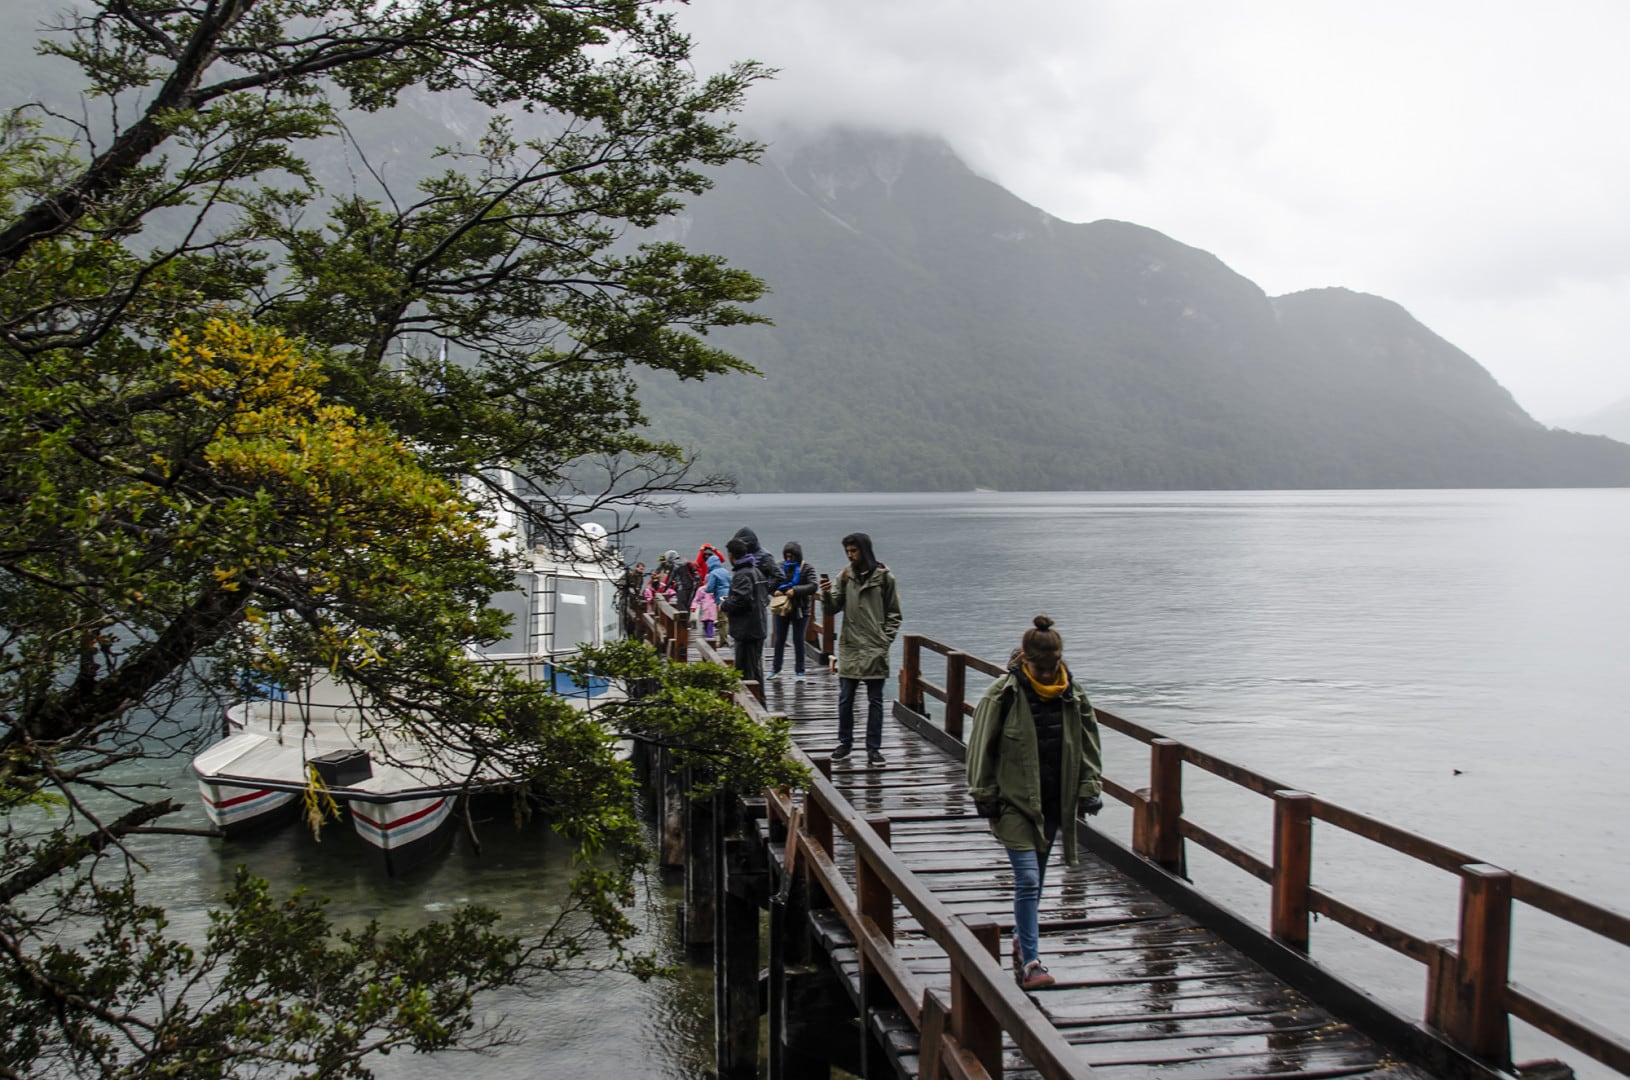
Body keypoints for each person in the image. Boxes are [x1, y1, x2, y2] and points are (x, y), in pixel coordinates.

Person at [964, 615, 1104, 991]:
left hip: (1054, 802)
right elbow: (980, 747)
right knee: (1027, 879)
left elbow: (1089, 743)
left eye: (1052, 666)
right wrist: (983, 794)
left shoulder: (1073, 694)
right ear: (1025, 660)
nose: (1046, 674)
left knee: (1036, 879)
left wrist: (1089, 787)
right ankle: (1032, 962)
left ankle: (1020, 938)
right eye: (1040, 667)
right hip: (1013, 802)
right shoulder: (1002, 695)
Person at [818, 532, 902, 766]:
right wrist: (826, 593)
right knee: (845, 698)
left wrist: (885, 639)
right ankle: (845, 743)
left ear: (864, 550)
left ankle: (873, 748)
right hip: (851, 646)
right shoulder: (845, 576)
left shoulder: (885, 578)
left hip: (875, 647)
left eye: (853, 551)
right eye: (847, 551)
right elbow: (832, 609)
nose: (850, 555)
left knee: (875, 700)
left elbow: (894, 613)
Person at [719, 537, 767, 686]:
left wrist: (724, 605)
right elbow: (762, 597)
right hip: (758, 626)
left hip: (746, 631)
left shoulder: (742, 574)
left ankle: (751, 701)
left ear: (731, 554)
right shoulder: (756, 571)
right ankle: (760, 700)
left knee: (745, 672)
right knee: (756, 670)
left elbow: (742, 600)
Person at [767, 541, 817, 681]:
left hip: (800, 609)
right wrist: (774, 591)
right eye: (787, 556)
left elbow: (813, 585)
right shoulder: (779, 567)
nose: (789, 559)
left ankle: (800, 671)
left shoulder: (806, 568)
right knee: (779, 639)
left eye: (792, 556)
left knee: (798, 640)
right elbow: (770, 583)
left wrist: (795, 590)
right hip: (782, 608)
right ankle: (776, 668)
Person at [703, 551, 732, 646]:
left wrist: (705, 588)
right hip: (729, 596)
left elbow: (709, 588)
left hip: (720, 597)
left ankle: (724, 641)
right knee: (729, 618)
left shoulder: (713, 573)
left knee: (722, 619)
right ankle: (730, 639)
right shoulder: (725, 571)